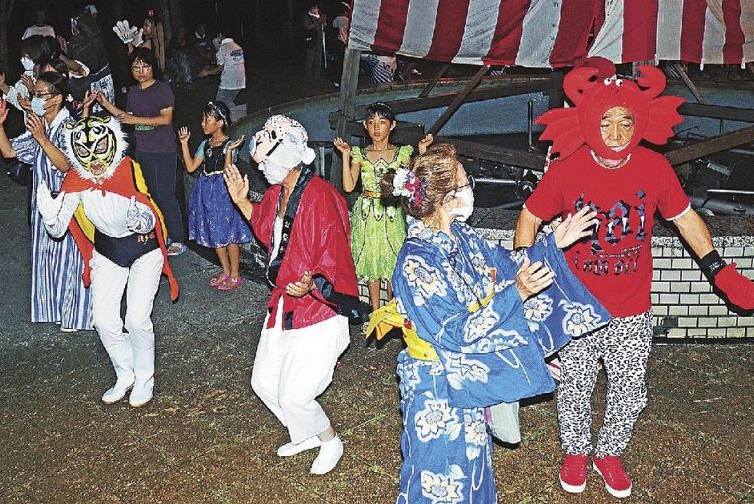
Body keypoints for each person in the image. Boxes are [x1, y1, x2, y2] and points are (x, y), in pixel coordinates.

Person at [515, 60, 754, 499]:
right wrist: (526, 270)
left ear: (638, 123)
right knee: (575, 383)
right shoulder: (568, 170)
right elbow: (530, 215)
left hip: (632, 306)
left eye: (624, 121)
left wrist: (718, 270)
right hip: (577, 302)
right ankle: (575, 452)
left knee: (628, 387)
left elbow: (685, 219)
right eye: (605, 122)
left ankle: (609, 453)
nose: (615, 132)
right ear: (591, 122)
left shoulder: (654, 168)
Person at [381, 143, 609, 503]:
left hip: (469, 377)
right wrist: (514, 294)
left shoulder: (464, 236)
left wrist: (554, 242)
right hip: (435, 386)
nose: (471, 187)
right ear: (446, 198)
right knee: (436, 473)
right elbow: (454, 331)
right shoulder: (416, 260)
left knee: (473, 466)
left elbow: (508, 266)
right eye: (464, 181)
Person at [223, 115, 362, 475]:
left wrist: (314, 282)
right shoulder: (276, 194)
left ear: (288, 158)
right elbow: (268, 232)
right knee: (263, 383)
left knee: (295, 396)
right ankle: (305, 432)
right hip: (285, 304)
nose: (263, 169)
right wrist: (241, 201)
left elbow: (336, 253)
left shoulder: (322, 197)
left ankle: (330, 439)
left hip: (319, 312)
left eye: (267, 162)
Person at [36, 115, 179, 407]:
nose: (94, 159)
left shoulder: (128, 169)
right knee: (103, 320)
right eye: (85, 152)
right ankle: (125, 372)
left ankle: (145, 377)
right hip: (108, 252)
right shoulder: (75, 179)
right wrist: (50, 215)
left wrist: (140, 219)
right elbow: (59, 228)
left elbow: (148, 210)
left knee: (137, 319)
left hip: (143, 249)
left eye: (100, 147)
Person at [0, 72, 93, 332]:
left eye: (39, 95)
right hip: (44, 206)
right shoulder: (40, 124)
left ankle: (75, 315)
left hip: (69, 206)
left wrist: (42, 139)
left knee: (71, 260)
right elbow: (10, 152)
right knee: (48, 258)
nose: (34, 99)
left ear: (57, 98)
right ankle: (57, 309)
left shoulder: (70, 126)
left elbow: (65, 165)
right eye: (34, 94)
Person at [332, 102, 432, 311]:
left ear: (392, 125)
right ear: (365, 127)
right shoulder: (360, 154)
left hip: (393, 213)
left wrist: (422, 153)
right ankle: (376, 313)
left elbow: (416, 183)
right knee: (371, 262)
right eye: (371, 123)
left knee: (394, 261)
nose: (377, 128)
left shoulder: (403, 153)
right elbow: (349, 187)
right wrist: (345, 155)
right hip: (367, 214)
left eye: (382, 122)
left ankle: (396, 310)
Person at [95, 47, 186, 256]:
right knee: (149, 194)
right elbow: (125, 116)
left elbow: (166, 119)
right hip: (143, 149)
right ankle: (160, 232)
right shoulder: (134, 92)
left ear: (153, 67)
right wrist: (104, 103)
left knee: (166, 195)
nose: (141, 70)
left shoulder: (163, 90)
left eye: (145, 66)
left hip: (164, 149)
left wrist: (133, 119)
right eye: (136, 67)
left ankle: (179, 238)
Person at [179, 101, 251, 290]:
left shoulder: (229, 144)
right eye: (203, 119)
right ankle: (225, 271)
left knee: (229, 234)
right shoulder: (205, 144)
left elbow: (228, 169)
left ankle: (235, 274)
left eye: (207, 119)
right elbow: (191, 166)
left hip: (223, 191)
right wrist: (184, 144)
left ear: (219, 123)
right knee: (214, 232)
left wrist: (229, 152)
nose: (202, 123)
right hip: (206, 190)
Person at [198, 32, 246, 121]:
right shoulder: (237, 47)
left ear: (220, 36)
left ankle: (236, 120)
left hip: (228, 82)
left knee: (219, 103)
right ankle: (239, 118)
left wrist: (206, 73)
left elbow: (220, 68)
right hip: (240, 81)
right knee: (228, 101)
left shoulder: (222, 49)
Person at [303, 3, 327, 81]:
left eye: (317, 8)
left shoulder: (319, 16)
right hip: (311, 40)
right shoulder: (307, 18)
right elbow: (307, 27)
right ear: (311, 9)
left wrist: (324, 21)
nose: (316, 9)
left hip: (319, 40)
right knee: (310, 59)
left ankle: (317, 75)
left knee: (318, 59)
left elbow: (324, 26)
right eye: (314, 8)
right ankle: (308, 76)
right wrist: (318, 22)